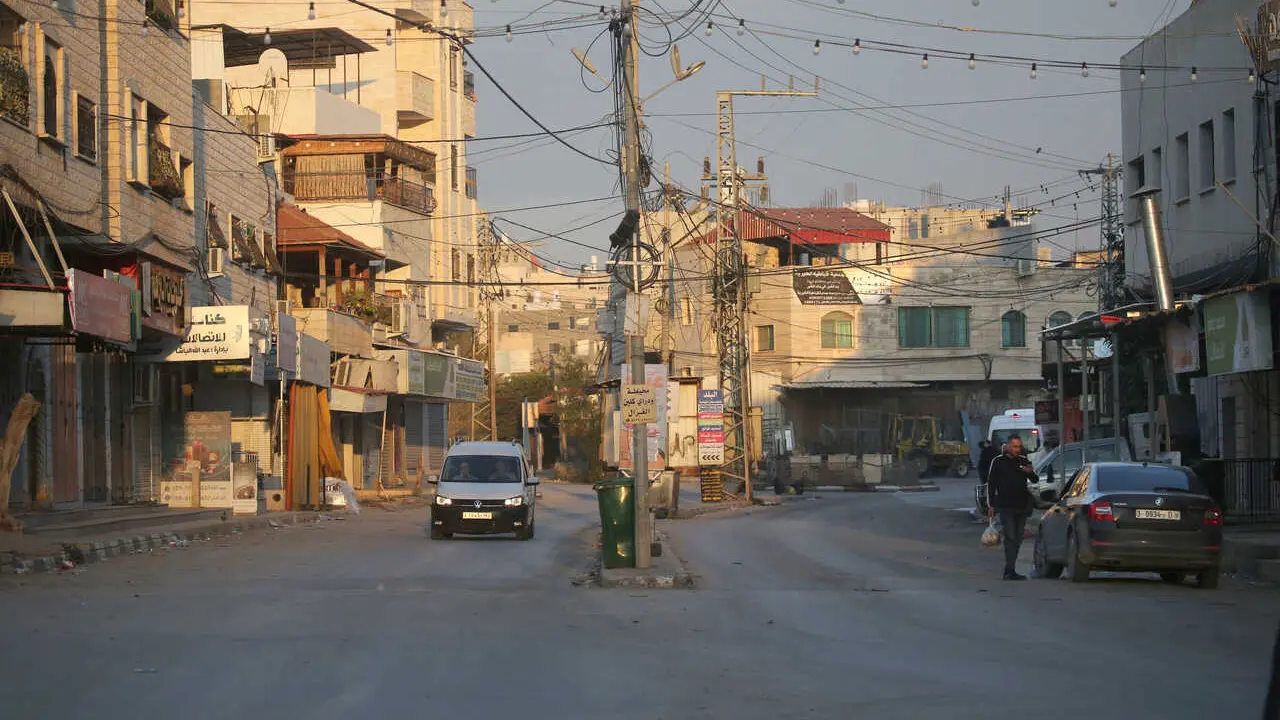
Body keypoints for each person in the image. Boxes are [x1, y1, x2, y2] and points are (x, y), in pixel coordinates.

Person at [987, 435, 1038, 580]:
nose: (1017, 449)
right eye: (1014, 446)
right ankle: (1009, 570)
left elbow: (1034, 478)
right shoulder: (998, 461)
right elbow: (991, 484)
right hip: (1005, 506)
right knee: (1010, 536)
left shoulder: (1022, 461)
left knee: (1018, 538)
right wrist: (990, 504)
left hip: (1021, 505)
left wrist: (1030, 472)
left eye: (1019, 446)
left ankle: (1011, 569)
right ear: (1008, 446)